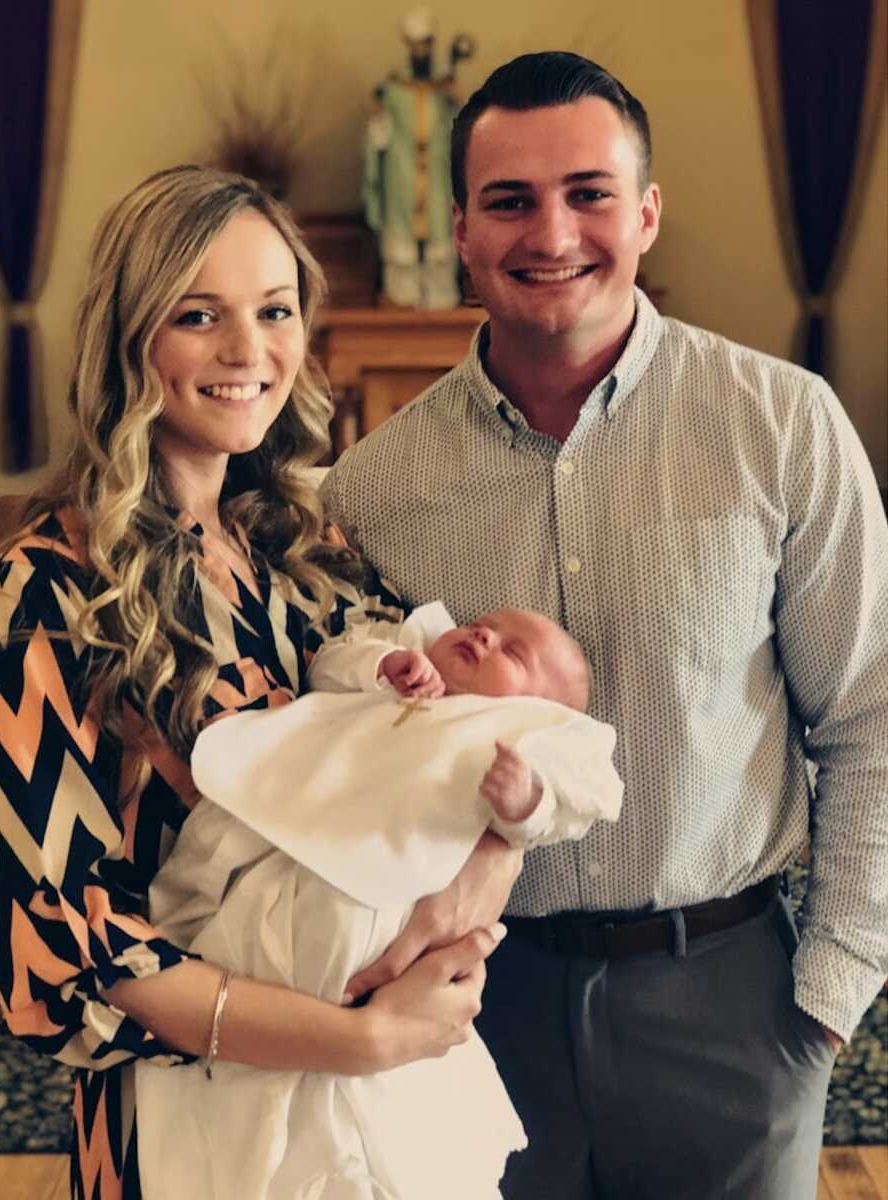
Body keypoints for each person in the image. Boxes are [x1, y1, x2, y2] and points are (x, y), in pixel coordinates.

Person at [321, 51, 888, 1200]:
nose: (554, 233)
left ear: (646, 213)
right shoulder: (373, 489)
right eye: (511, 201)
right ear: (463, 231)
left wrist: (827, 997)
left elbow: (870, 721)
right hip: (478, 1002)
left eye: (588, 192)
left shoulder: (783, 426)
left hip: (731, 997)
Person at [0, 165, 511, 1200]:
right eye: (198, 314)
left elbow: (449, 746)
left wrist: (470, 885)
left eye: (275, 311)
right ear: (131, 338)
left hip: (378, 1115)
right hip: (192, 1124)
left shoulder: (308, 548)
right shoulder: (46, 587)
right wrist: (357, 1039)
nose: (248, 352)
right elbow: (60, 948)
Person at [134, 601, 622, 1199]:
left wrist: (526, 803)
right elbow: (333, 662)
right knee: (233, 896)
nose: (485, 635)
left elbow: (588, 795)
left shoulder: (531, 735)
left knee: (342, 952)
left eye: (513, 653)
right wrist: (385, 664)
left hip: (384, 885)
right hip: (291, 836)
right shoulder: (409, 649)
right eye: (482, 626)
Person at [362, 7, 464, 308]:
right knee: (401, 249)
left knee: (439, 242)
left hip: (438, 179)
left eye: (426, 44)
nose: (420, 51)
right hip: (402, 175)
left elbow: (462, 132)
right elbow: (379, 140)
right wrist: (377, 122)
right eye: (414, 44)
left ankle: (440, 296)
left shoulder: (444, 91)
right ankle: (402, 296)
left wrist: (457, 103)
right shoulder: (393, 90)